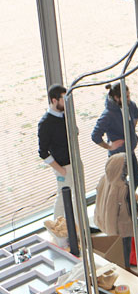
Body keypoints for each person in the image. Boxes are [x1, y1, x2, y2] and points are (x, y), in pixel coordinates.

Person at [92, 82, 138, 188]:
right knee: (118, 186)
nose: (129, 99)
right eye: (126, 96)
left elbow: (136, 113)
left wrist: (131, 129)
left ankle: (129, 202)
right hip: (118, 156)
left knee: (136, 180)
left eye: (129, 95)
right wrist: (109, 146)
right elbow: (95, 135)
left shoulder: (130, 105)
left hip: (130, 152)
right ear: (116, 98)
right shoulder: (108, 115)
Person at [37, 84, 73, 220]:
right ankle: (58, 232)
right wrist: (61, 170)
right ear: (54, 100)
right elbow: (43, 152)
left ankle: (78, 228)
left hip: (74, 162)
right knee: (63, 199)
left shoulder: (65, 116)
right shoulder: (45, 123)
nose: (66, 103)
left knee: (77, 198)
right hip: (63, 167)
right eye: (64, 99)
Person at [94, 153, 134, 269]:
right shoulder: (121, 187)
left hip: (107, 224)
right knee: (123, 252)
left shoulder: (104, 179)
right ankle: (125, 270)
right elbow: (118, 212)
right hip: (121, 228)